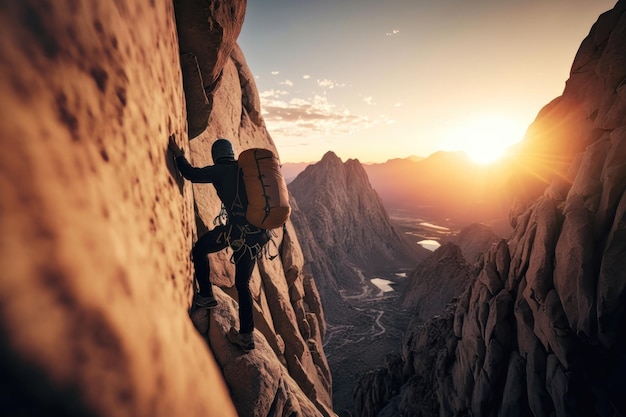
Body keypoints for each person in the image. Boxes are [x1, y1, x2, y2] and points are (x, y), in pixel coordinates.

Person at [168, 136, 269, 352]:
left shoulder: (219, 170)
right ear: (232, 153)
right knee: (243, 284)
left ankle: (206, 296)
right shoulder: (243, 169)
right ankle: (246, 336)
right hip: (257, 236)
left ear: (216, 156)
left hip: (237, 234)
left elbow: (191, 174)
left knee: (200, 249)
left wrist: (178, 154)